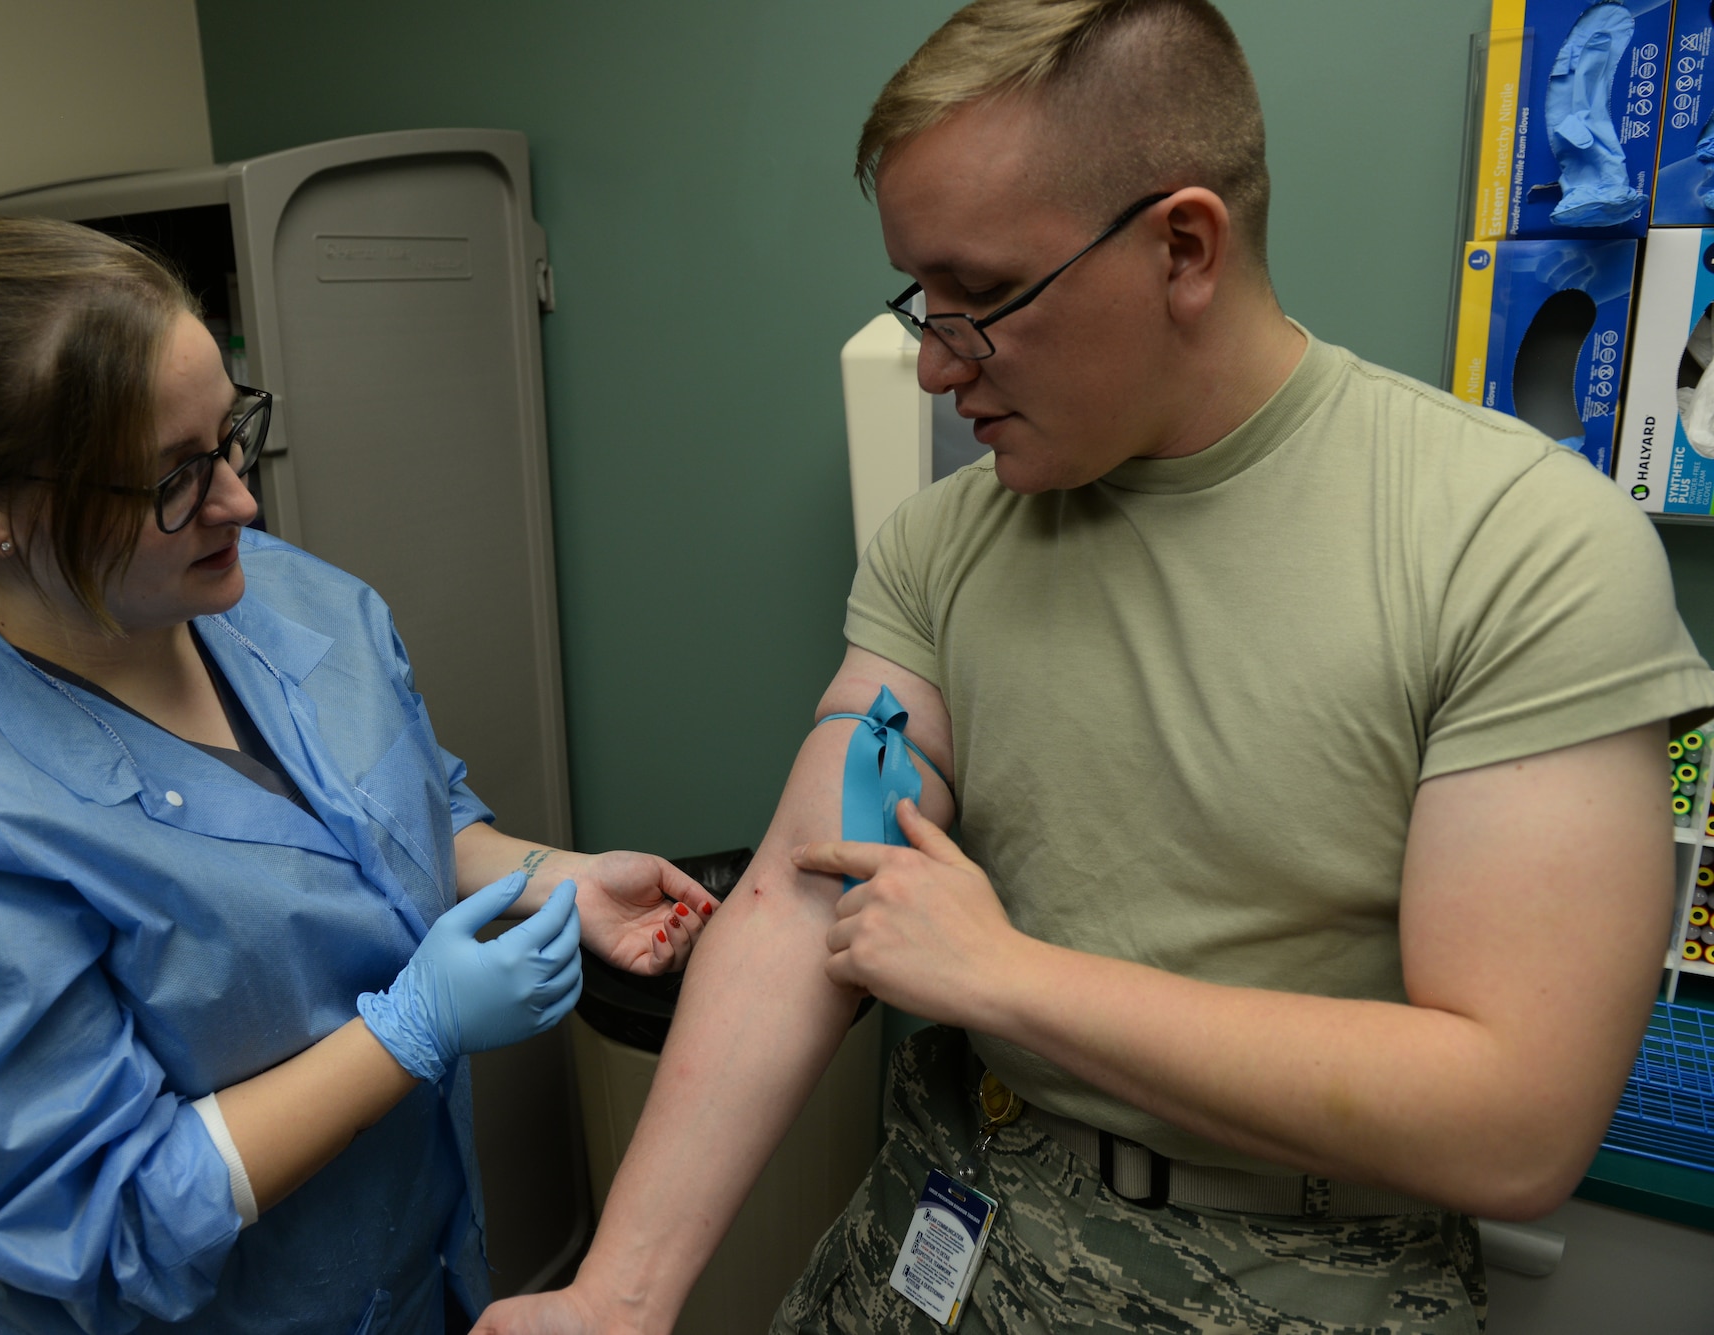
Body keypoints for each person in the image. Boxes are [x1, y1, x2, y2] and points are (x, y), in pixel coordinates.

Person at [474, 2, 1714, 1333]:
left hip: (1300, 1268)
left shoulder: (1513, 545)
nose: (935, 363)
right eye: (920, 300)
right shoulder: (945, 543)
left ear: (1184, 245)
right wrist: (617, 1292)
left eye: (983, 298)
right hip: (950, 1204)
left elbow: (1513, 1118)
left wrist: (1012, 977)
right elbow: (799, 891)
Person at [0, 217, 718, 1335]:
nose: (240, 500)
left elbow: (388, 819)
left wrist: (552, 878)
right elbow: (104, 1224)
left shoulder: (274, 595)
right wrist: (409, 1033)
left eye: (229, 435)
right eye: (173, 479)